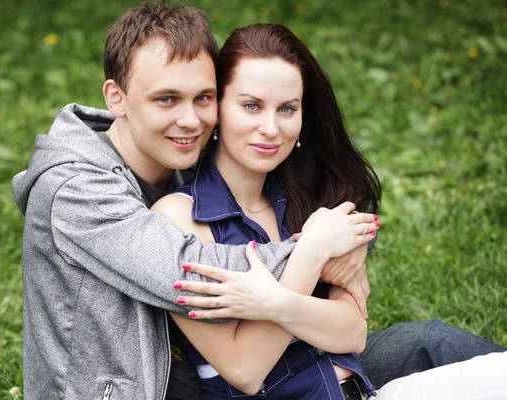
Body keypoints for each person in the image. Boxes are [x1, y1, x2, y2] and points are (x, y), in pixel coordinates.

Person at [11, 3, 505, 399]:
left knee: (433, 343)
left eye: (203, 98)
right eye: (166, 99)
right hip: (136, 387)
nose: (190, 121)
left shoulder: (192, 156)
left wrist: (295, 283)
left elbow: (353, 332)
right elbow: (191, 273)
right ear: (117, 98)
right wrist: (315, 250)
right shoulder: (76, 191)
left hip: (308, 372)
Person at [152, 23, 507, 400]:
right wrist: (311, 252)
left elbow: (352, 333)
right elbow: (244, 369)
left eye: (287, 108)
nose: (271, 128)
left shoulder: (308, 200)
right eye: (251, 106)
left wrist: (274, 303)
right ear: (217, 108)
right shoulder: (178, 220)